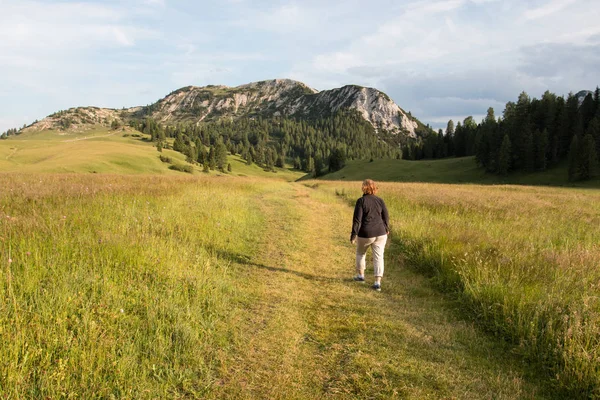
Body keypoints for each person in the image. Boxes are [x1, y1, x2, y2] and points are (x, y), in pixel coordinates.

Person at [350, 179, 389, 291]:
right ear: (374, 188)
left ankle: (361, 276)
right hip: (381, 233)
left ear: (363, 188)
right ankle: (377, 283)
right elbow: (386, 216)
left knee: (361, 253)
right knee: (379, 257)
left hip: (366, 233)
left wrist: (353, 235)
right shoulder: (380, 200)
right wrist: (386, 228)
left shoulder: (361, 201)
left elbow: (357, 220)